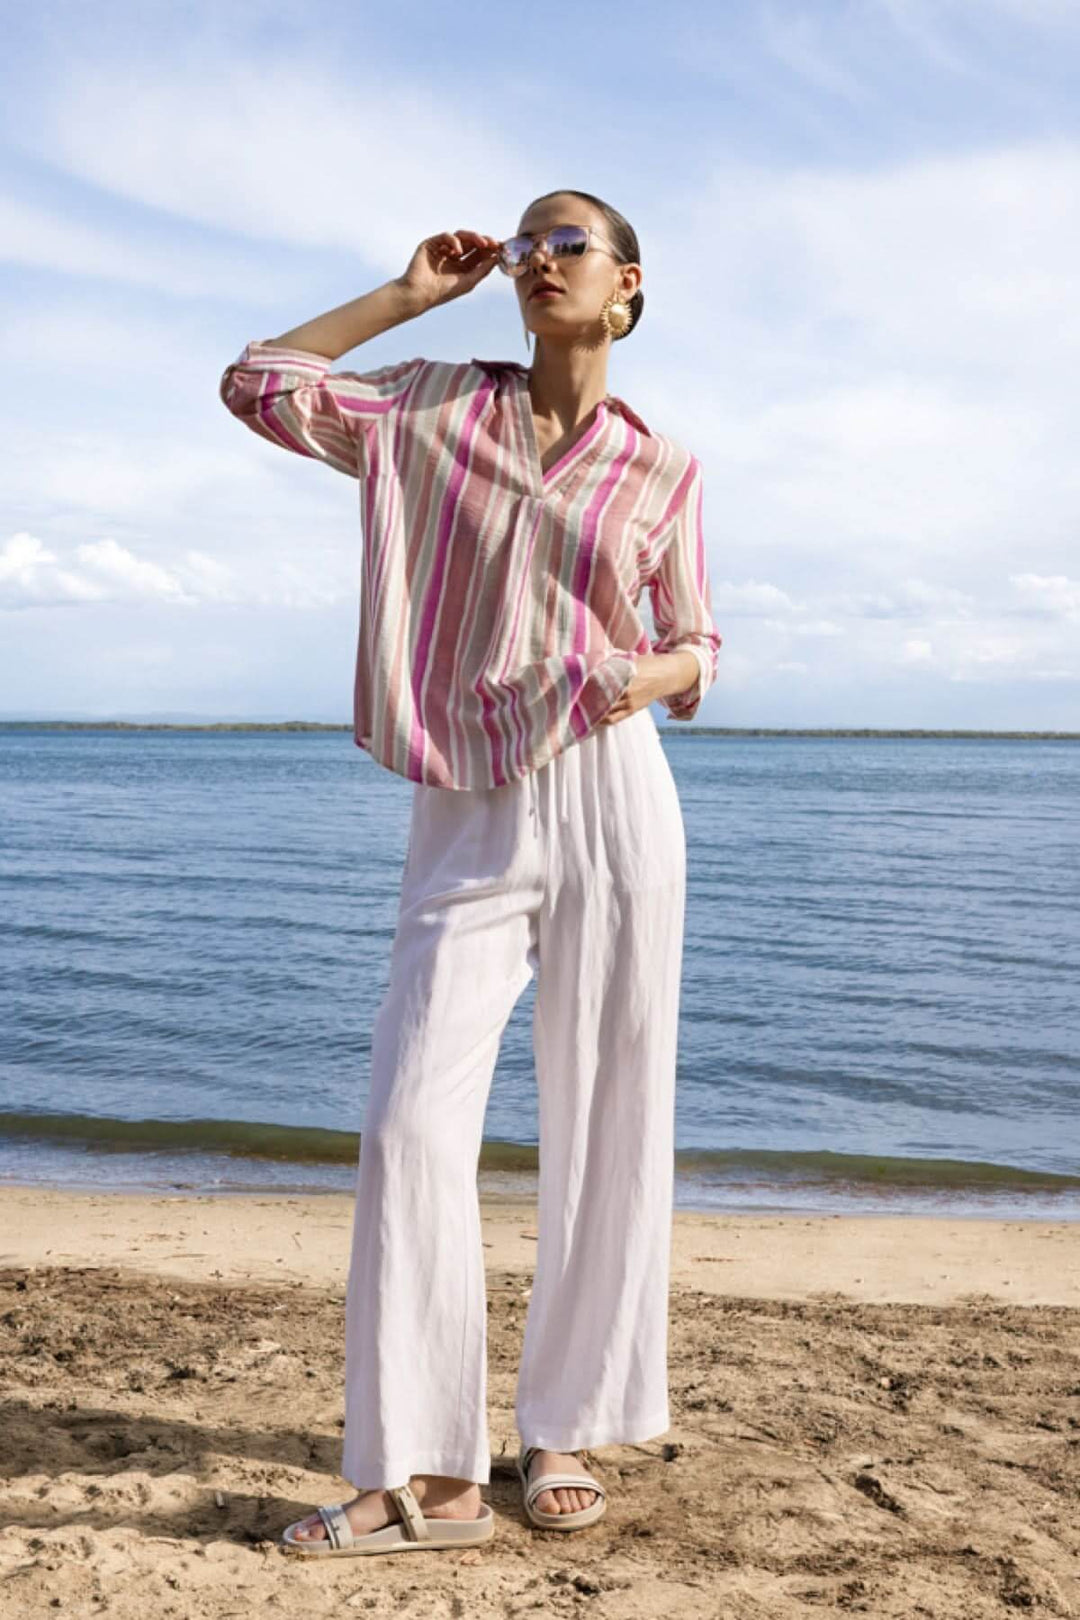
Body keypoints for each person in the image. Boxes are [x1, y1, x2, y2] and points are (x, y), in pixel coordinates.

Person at [218, 189, 722, 1557]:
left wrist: (645, 673)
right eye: (527, 243)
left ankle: (565, 1425)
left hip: (616, 790)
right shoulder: (431, 404)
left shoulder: (662, 465)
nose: (541, 258)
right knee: (411, 1123)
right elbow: (259, 383)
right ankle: (431, 1479)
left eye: (571, 243)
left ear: (626, 283)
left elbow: (699, 642)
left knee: (610, 1115)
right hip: (469, 802)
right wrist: (405, 297)